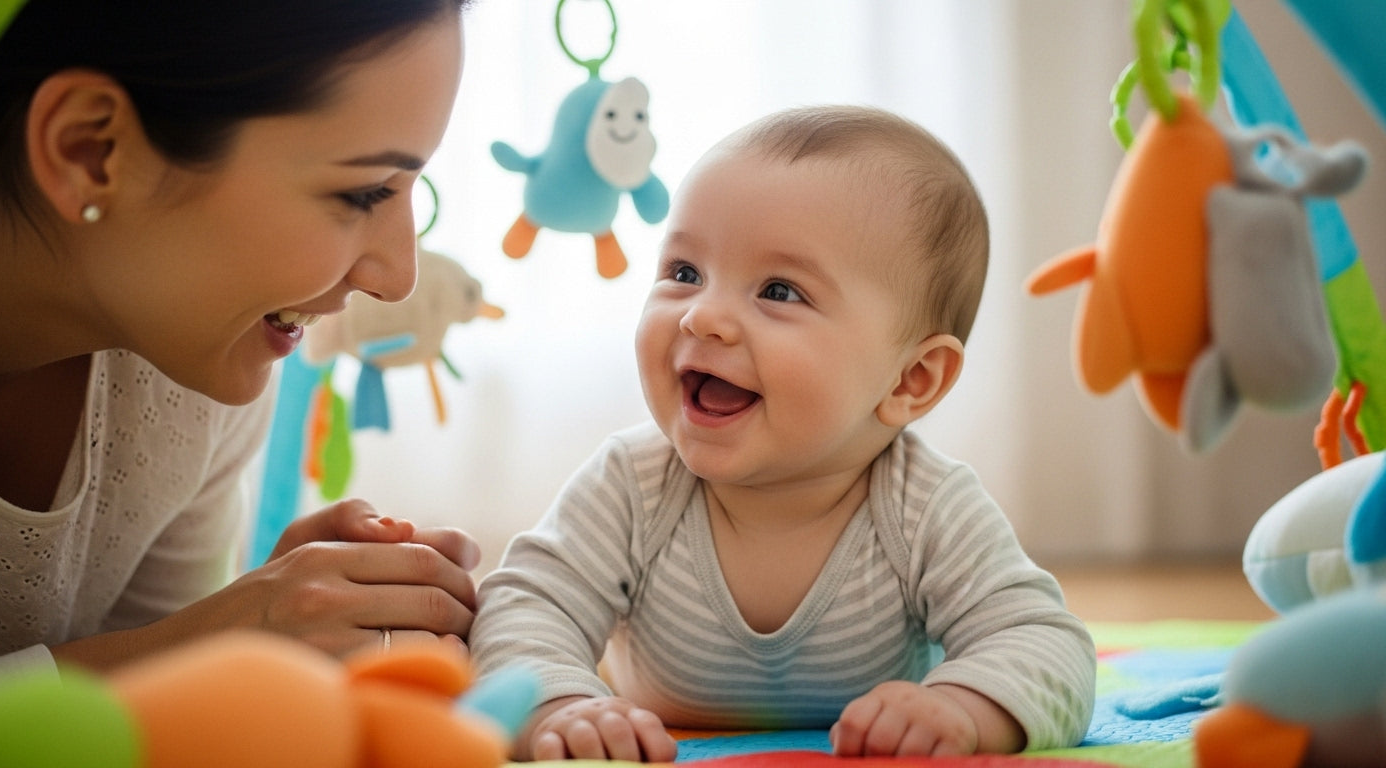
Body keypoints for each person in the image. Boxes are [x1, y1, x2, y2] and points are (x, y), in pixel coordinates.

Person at [470, 105, 1097, 761]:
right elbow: (527, 606)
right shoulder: (633, 483)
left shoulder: (926, 508)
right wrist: (563, 707)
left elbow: (1046, 644)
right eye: (684, 273)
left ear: (911, 379)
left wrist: (962, 712)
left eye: (779, 290)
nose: (703, 316)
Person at [0, 0, 482, 678]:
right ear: (89, 150)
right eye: (364, 192)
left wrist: (249, 642)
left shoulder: (194, 372)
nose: (398, 278)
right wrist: (200, 650)